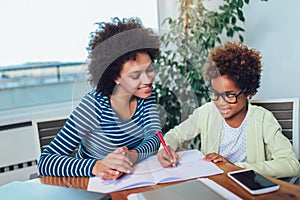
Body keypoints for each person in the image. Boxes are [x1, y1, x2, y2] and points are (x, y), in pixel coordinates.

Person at [38, 17, 161, 180]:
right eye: (135, 75)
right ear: (115, 77)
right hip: (89, 184)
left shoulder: (144, 96)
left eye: (149, 69)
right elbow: (46, 161)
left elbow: (154, 137)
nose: (147, 80)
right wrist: (98, 165)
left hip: (127, 181)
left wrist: (132, 155)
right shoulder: (94, 106)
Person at [157, 42, 300, 178]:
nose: (220, 103)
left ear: (248, 92)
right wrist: (166, 148)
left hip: (248, 189)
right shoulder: (207, 112)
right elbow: (175, 135)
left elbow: (291, 164)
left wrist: (235, 167)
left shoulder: (262, 119)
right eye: (215, 94)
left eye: (229, 95)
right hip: (215, 185)